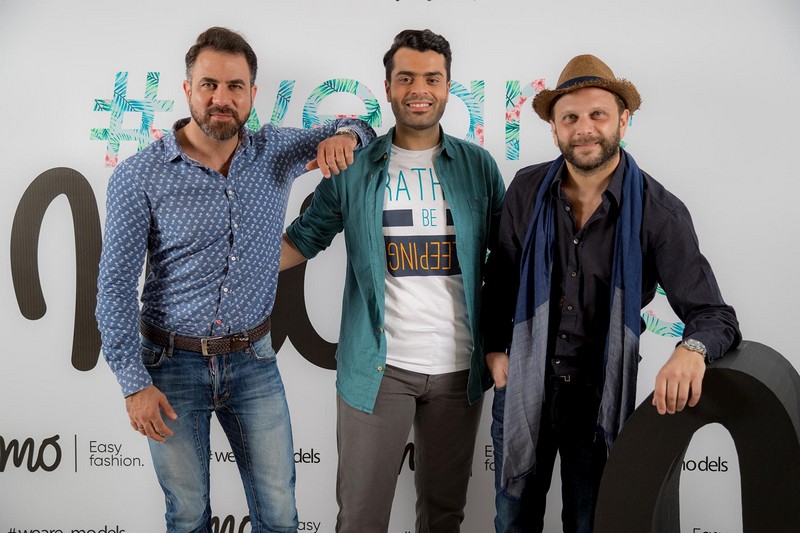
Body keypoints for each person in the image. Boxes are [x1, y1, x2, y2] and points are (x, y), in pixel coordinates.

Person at [95, 26, 375, 532]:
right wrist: (134, 385)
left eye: (235, 86)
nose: (221, 98)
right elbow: (114, 289)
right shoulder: (140, 176)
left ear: (252, 94)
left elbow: (360, 125)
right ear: (188, 90)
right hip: (170, 366)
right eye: (209, 85)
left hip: (253, 363)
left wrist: (346, 137)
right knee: (187, 516)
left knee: (280, 514)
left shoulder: (275, 150)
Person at [482, 54, 741, 532]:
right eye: (570, 118)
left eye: (597, 114)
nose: (584, 129)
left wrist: (692, 349)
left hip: (598, 397)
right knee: (513, 523)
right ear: (554, 129)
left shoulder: (660, 212)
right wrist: (495, 348)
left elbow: (713, 313)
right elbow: (501, 278)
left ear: (623, 121)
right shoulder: (526, 189)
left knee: (592, 524)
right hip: (523, 385)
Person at [280, 29, 505, 533]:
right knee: (360, 518)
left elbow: (507, 260)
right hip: (377, 370)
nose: (418, 89)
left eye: (432, 78)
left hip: (459, 370)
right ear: (387, 87)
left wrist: (504, 343)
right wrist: (226, 267)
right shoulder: (354, 166)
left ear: (448, 87)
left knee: (444, 516)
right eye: (406, 78)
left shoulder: (478, 166)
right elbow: (304, 239)